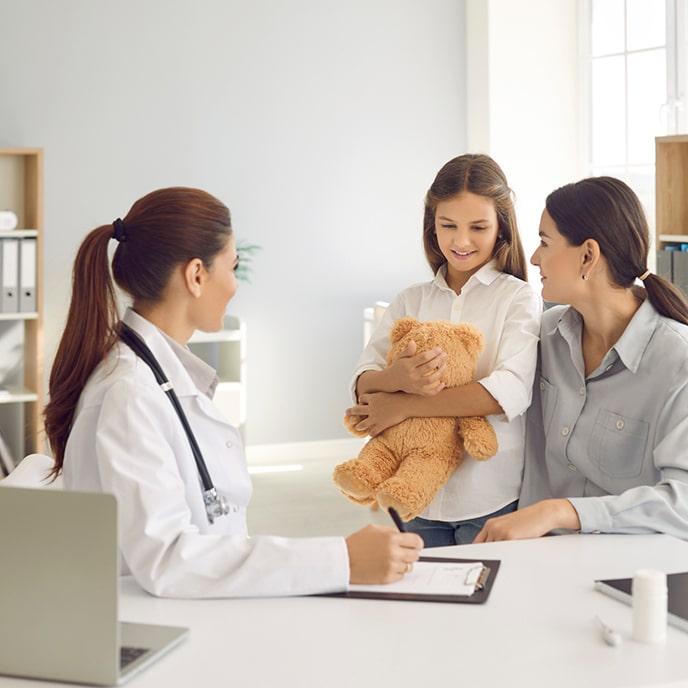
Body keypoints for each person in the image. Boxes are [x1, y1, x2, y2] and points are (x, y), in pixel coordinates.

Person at [44, 187, 423, 598]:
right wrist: (341, 560)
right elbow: (169, 559)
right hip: (154, 624)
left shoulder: (153, 376)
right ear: (196, 275)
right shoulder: (131, 393)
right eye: (233, 266)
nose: (235, 284)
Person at [475, 176, 688, 543]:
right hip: (534, 556)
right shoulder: (543, 336)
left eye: (544, 241)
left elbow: (682, 502)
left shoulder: (677, 360)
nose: (535, 257)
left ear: (588, 255)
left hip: (626, 567)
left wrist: (561, 511)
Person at [345, 154, 542, 545]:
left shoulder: (517, 298)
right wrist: (393, 379)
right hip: (414, 497)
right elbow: (363, 383)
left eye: (478, 227)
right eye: (448, 225)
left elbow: (509, 391)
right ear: (431, 226)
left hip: (490, 494)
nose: (461, 240)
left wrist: (404, 403)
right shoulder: (410, 300)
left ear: (501, 227)